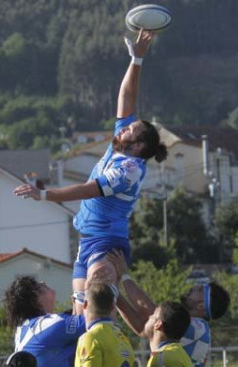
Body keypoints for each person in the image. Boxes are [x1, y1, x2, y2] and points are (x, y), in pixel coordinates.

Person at [13, 29, 168, 315]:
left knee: (98, 305)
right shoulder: (119, 148)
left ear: (140, 145)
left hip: (109, 243)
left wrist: (44, 194)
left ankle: (116, 355)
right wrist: (136, 60)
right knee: (79, 313)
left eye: (130, 129)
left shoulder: (130, 169)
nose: (123, 128)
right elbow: (126, 96)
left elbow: (89, 189)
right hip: (87, 241)